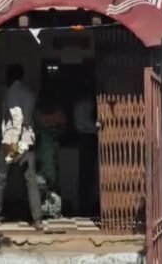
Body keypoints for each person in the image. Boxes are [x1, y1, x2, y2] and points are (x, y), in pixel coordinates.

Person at [0, 64, 43, 230]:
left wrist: (13, 143)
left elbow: (17, 118)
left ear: (9, 77)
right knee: (30, 179)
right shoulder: (29, 94)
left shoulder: (11, 93)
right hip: (27, 141)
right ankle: (37, 219)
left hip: (13, 142)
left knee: (0, 177)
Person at [73, 73, 99, 217]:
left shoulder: (86, 102)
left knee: (90, 174)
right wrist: (97, 127)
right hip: (87, 138)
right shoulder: (82, 103)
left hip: (88, 138)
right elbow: (81, 124)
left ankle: (88, 206)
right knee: (86, 174)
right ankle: (84, 208)